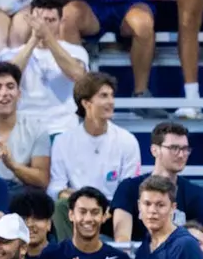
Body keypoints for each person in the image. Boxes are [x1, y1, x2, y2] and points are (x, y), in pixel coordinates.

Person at [1, 0, 89, 140]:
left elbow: (78, 76)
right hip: (24, 130)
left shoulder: (76, 51)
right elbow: (7, 79)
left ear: (61, 22)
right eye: (40, 21)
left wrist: (47, 38)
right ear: (30, 20)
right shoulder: (12, 54)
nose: (45, 26)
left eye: (51, 20)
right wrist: (34, 40)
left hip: (63, 130)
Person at [112, 121, 203, 244]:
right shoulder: (129, 188)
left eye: (185, 149)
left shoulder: (196, 194)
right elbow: (122, 241)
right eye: (174, 148)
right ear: (154, 150)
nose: (181, 155)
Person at [47, 72, 142, 202]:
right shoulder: (63, 141)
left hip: (113, 207)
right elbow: (56, 187)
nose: (111, 102)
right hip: (76, 205)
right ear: (86, 103)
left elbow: (130, 188)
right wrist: (80, 200)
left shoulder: (127, 140)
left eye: (112, 96)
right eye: (104, 96)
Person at [0, 60, 53, 189]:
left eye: (10, 87)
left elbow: (43, 180)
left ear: (19, 94)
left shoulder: (37, 129)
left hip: (24, 192)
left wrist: (12, 165)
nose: (4, 93)